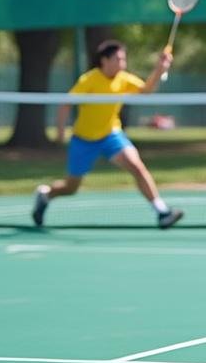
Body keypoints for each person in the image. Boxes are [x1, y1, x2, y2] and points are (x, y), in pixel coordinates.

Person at [30, 40, 184, 228]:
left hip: (110, 135)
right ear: (104, 60)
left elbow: (146, 90)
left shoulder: (124, 78)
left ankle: (161, 212)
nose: (123, 63)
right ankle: (45, 195)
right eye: (118, 59)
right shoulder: (89, 80)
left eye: (124, 59)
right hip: (83, 140)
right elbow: (65, 103)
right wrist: (60, 134)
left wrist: (159, 70)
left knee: (137, 166)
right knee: (71, 188)